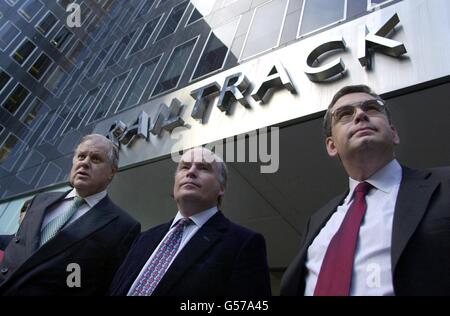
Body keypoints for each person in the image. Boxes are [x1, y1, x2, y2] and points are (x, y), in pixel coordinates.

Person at [281, 85, 450, 296]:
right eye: (344, 114)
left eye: (371, 108)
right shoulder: (316, 221)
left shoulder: (445, 185)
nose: (360, 115)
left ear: (394, 133)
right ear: (331, 146)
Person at [109, 147, 271, 296]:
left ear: (221, 188)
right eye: (185, 167)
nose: (191, 172)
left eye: (203, 168)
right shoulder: (144, 238)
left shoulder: (243, 243)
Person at [0, 134, 141, 295]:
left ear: (112, 171)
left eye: (95, 159)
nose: (85, 163)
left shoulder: (123, 226)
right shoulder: (41, 200)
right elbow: (19, 243)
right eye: (81, 156)